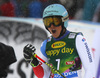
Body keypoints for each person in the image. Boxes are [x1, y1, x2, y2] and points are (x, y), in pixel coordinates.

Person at [23, 4, 95, 78]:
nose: (51, 26)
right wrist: (34, 63)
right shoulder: (46, 44)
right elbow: (44, 75)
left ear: (64, 21)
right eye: (48, 22)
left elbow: (90, 70)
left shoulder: (77, 39)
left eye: (56, 21)